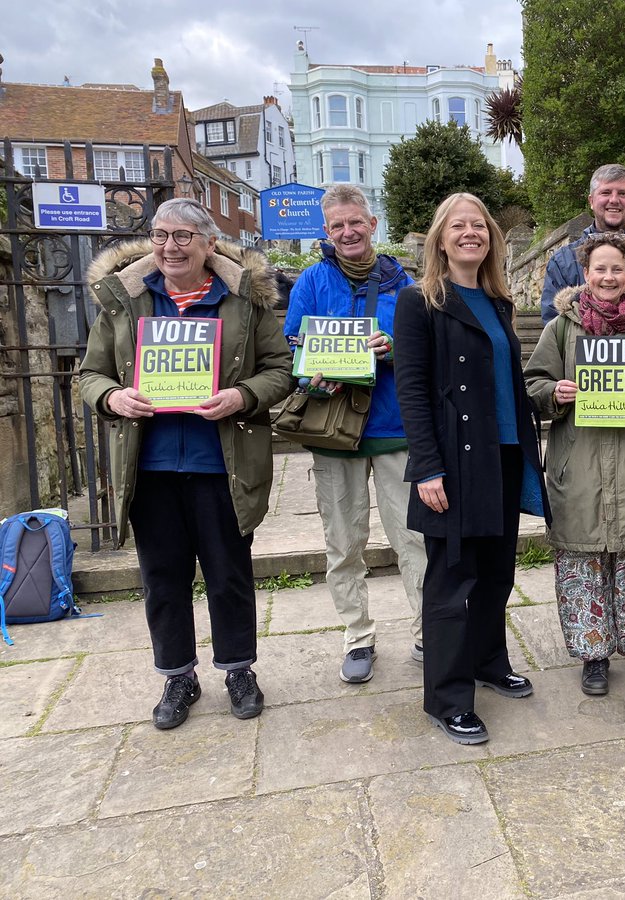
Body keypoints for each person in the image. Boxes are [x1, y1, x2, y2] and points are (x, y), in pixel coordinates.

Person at [80, 197, 293, 729]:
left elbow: (280, 369)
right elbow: (90, 375)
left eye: (182, 237)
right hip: (149, 467)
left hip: (223, 464)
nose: (169, 247)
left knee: (229, 575)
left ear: (206, 242)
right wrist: (113, 398)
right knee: (162, 578)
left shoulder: (244, 300)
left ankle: (239, 669)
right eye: (160, 235)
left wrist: (241, 396)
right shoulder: (124, 302)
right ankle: (178, 676)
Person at [393, 192, 547, 746]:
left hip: (504, 454)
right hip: (454, 463)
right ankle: (447, 697)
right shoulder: (419, 302)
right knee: (452, 581)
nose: (469, 233)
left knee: (496, 575)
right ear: (440, 238)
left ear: (491, 238)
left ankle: (487, 661)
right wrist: (427, 468)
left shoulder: (498, 300)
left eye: (478, 225)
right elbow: (411, 390)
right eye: (457, 225)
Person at [525, 233, 625, 696]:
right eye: (600, 269)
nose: (608, 277)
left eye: (617, 269)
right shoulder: (561, 329)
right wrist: (555, 393)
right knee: (582, 563)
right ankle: (593, 654)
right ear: (585, 273)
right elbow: (533, 383)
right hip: (579, 465)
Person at [283, 184, 428, 684]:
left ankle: (428, 632)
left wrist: (396, 347)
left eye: (355, 222)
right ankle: (357, 637)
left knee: (414, 540)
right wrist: (311, 372)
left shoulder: (404, 283)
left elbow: (423, 348)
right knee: (343, 542)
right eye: (337, 225)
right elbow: (292, 351)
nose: (348, 232)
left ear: (372, 224)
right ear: (327, 232)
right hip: (332, 430)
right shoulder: (311, 280)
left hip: (393, 428)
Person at [539, 164, 625, 324]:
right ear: (591, 201)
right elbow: (553, 326)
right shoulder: (562, 263)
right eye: (606, 192)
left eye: (623, 193)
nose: (614, 200)